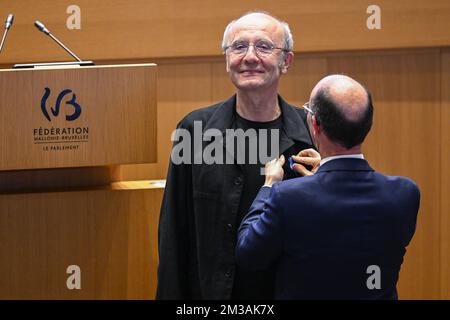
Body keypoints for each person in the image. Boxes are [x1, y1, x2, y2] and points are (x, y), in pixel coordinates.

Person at [157, 11, 315, 299]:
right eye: (239, 46)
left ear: (286, 61)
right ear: (227, 59)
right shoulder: (194, 130)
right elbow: (173, 233)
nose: (250, 57)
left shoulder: (312, 130)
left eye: (264, 46)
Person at [236, 74, 421, 299]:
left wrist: (268, 186)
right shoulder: (405, 194)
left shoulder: (286, 197)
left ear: (315, 123)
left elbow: (248, 254)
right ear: (368, 125)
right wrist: (323, 174)